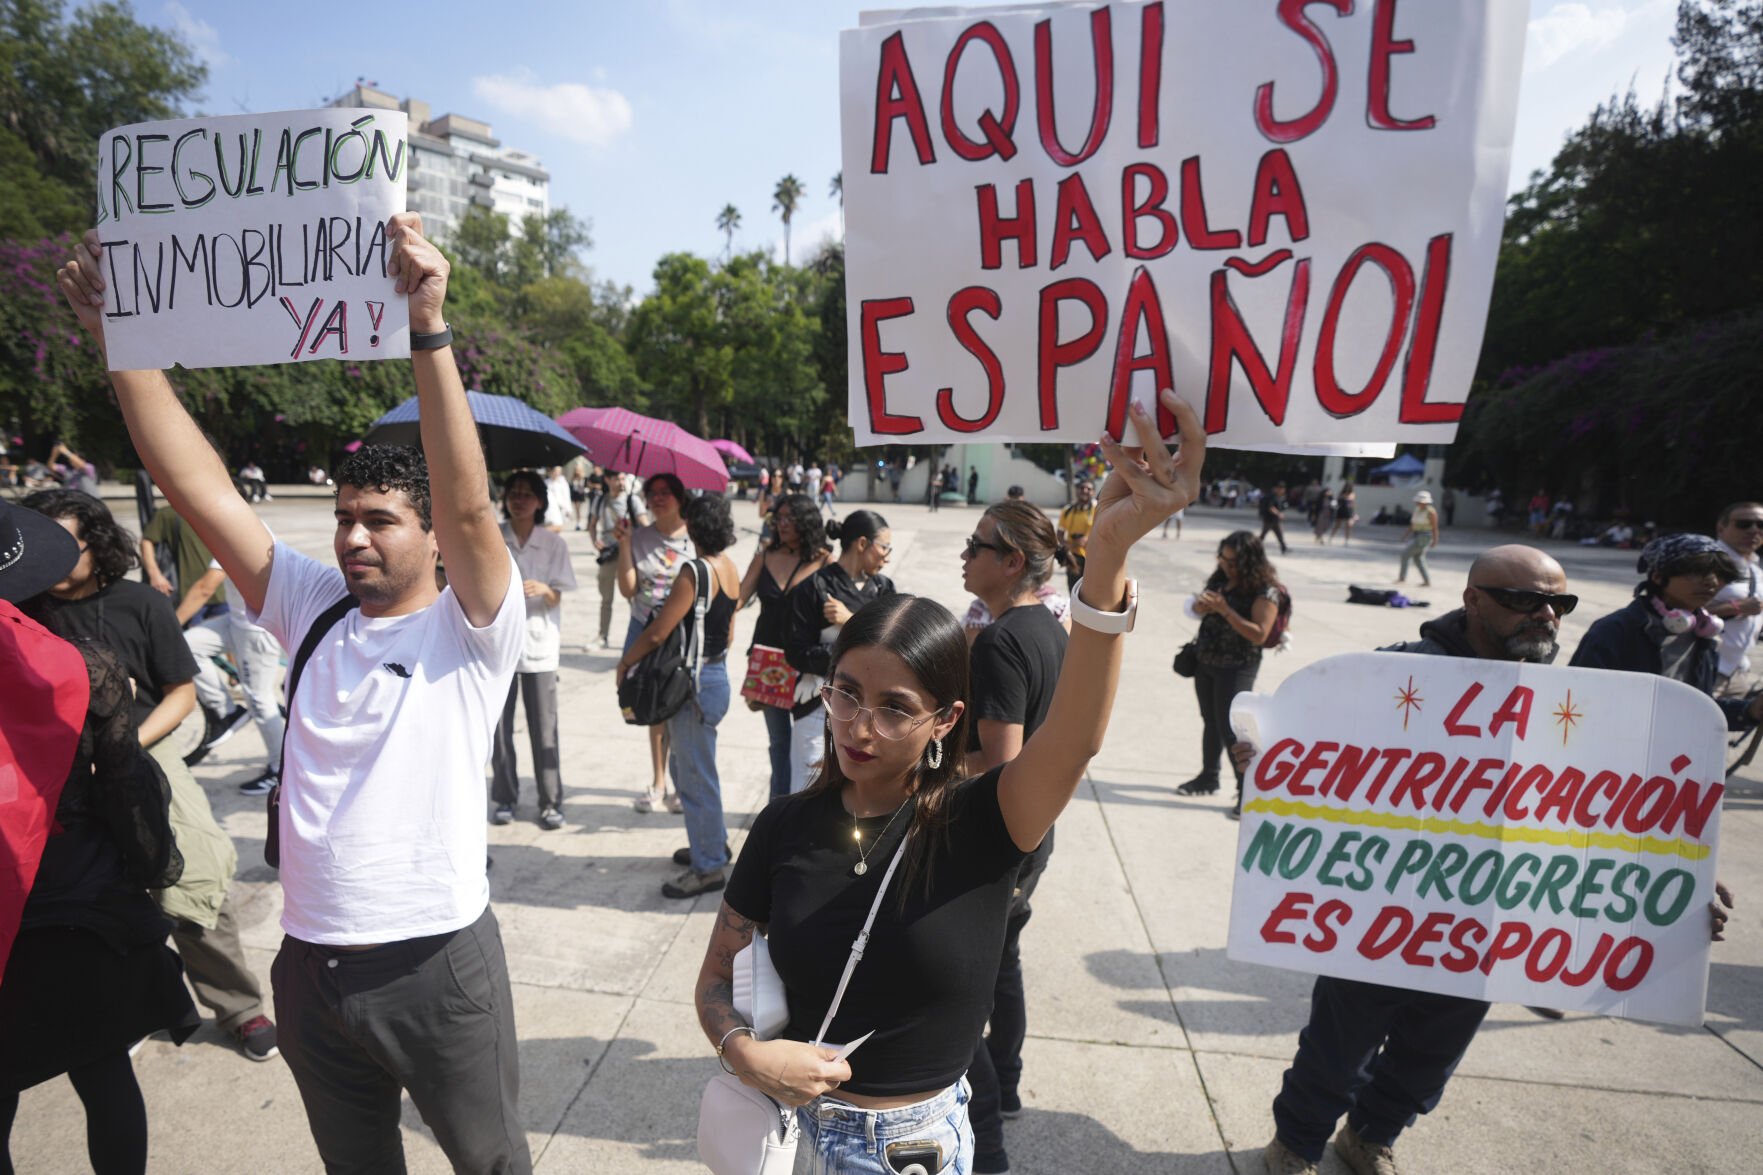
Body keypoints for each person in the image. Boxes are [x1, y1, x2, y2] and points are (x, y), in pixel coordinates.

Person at [58, 214, 533, 1171]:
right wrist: (128, 345)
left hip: (437, 965)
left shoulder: (472, 625)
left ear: (433, 535)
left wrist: (428, 328)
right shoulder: (313, 605)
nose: (356, 538)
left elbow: (472, 501)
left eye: (383, 522)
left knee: (491, 1165)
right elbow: (196, 486)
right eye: (345, 519)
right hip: (310, 970)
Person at [694, 391, 1204, 1175]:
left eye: (895, 707)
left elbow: (1073, 740)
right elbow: (714, 979)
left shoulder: (982, 823)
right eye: (846, 694)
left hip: (908, 1152)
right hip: (785, 1142)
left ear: (946, 719)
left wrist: (1104, 560)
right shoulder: (782, 826)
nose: (859, 726)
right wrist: (746, 1054)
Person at [1254, 544, 1733, 1175]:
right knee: (1342, 1041)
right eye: (1522, 600)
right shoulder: (1395, 677)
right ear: (1472, 599)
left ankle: (1370, 1134)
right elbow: (1304, 748)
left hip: (1495, 909)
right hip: (1382, 905)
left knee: (1435, 1046)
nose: (1544, 615)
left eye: (1558, 603)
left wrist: (1684, 869)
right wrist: (1262, 761)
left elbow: (1623, 804)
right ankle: (1297, 1142)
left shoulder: (1581, 703)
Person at [22, 489, 278, 1065]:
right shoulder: (24, 611)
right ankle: (124, 1008)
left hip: (141, 751)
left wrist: (116, 749)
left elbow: (181, 696)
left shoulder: (142, 604)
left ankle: (237, 1005)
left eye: (67, 544)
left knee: (191, 872)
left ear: (98, 542)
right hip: (51, 766)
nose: (55, 558)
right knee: (86, 893)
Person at [0, 502, 199, 1175]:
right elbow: (127, 791)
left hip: (19, 919)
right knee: (104, 1071)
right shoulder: (81, 666)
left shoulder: (124, 619)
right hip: (78, 909)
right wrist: (148, 868)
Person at [957, 501, 1071, 1175]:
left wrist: (927, 766)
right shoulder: (1047, 629)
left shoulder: (1003, 640)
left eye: (977, 546)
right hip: (1036, 832)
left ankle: (988, 1110)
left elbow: (998, 766)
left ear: (1012, 562)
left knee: (968, 978)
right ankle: (1008, 1078)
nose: (965, 556)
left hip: (1000, 835)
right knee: (1003, 963)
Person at [618, 494, 742, 899]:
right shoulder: (730, 568)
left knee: (693, 777)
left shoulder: (694, 572)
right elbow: (729, 630)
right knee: (694, 768)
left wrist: (626, 663)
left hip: (694, 684)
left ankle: (708, 868)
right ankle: (712, 843)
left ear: (693, 526)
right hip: (716, 674)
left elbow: (657, 632)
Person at [1570, 534, 1763, 731]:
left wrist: (1750, 710)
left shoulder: (1704, 633)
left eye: (1720, 575)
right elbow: (1575, 704)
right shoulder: (1615, 630)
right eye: (1697, 571)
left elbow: (1698, 710)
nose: (1712, 582)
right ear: (1658, 577)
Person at [779, 510, 899, 812]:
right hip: (818, 705)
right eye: (883, 547)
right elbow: (796, 652)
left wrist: (850, 622)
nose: (886, 556)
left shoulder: (884, 589)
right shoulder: (814, 588)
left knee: (860, 791)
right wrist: (851, 657)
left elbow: (895, 644)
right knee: (809, 787)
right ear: (862, 543)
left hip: (870, 710)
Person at [491, 471, 577, 831]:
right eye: (514, 493)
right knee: (499, 730)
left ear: (540, 502)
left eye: (527, 494)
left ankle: (550, 801)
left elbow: (560, 592)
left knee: (545, 729)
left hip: (540, 647)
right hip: (496, 649)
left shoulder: (553, 544)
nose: (519, 499)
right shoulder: (493, 537)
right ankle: (505, 797)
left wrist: (544, 588)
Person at [1179, 531, 1280, 811]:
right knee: (1210, 721)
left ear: (1249, 561)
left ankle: (1245, 790)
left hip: (1237, 666)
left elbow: (1260, 634)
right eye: (1222, 558)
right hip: (1207, 660)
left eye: (1232, 561)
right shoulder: (1221, 578)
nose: (1225, 564)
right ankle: (1208, 777)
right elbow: (1201, 607)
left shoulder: (1265, 591)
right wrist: (1202, 606)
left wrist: (1224, 610)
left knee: (1233, 729)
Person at [740, 493, 831, 799]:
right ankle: (777, 809)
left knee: (809, 742)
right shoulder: (764, 556)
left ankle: (801, 805)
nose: (782, 524)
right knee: (779, 741)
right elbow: (736, 599)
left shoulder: (825, 560)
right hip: (769, 662)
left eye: (790, 518)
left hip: (806, 662)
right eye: (778, 518)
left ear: (807, 521)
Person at [140, 505, 248, 763]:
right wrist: (155, 574)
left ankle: (237, 685)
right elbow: (147, 541)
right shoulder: (170, 513)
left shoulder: (219, 511)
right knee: (194, 647)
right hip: (194, 592)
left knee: (239, 663)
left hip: (220, 592)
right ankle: (230, 702)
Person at [617, 471, 696, 813]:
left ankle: (681, 784)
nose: (659, 498)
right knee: (652, 705)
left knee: (680, 704)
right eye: (653, 493)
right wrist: (623, 544)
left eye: (667, 492)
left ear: (680, 498)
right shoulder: (639, 537)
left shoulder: (695, 538)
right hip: (643, 628)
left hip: (681, 633)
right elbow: (628, 590)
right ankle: (659, 782)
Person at [1709, 501, 1762, 698]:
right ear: (1721, 528)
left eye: (1761, 525)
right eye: (1743, 524)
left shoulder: (1754, 569)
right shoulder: (1706, 561)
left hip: (1737, 669)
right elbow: (1672, 609)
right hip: (1706, 667)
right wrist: (1735, 607)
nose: (1754, 530)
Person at [592, 469, 644, 647]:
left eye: (623, 478)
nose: (621, 482)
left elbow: (645, 526)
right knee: (606, 598)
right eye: (617, 479)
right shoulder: (600, 500)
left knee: (634, 598)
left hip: (628, 555)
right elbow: (592, 524)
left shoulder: (633, 500)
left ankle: (639, 636)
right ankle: (602, 635)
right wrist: (595, 541)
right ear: (607, 480)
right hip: (607, 553)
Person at [1057, 479, 1098, 592]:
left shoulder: (1099, 510)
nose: (1085, 491)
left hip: (1093, 557)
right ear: (1076, 491)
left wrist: (1088, 539)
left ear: (1093, 492)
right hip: (1073, 557)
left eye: (1089, 489)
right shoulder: (1067, 510)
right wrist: (1068, 546)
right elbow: (1060, 534)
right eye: (1082, 488)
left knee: (1092, 592)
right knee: (1074, 591)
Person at [1396, 491, 1440, 587]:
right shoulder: (1417, 510)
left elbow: (1434, 527)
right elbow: (1412, 525)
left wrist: (1435, 540)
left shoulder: (1431, 512)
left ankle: (1402, 578)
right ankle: (1427, 581)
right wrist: (1405, 535)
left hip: (1424, 537)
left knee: (1405, 555)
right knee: (1418, 558)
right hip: (1417, 535)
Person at [1259, 483, 1289, 554]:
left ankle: (1283, 548)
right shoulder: (1272, 497)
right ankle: (1254, 546)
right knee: (1263, 535)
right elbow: (1271, 507)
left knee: (1279, 534)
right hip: (1269, 519)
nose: (1283, 491)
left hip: (1274, 520)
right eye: (1282, 489)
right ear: (1278, 489)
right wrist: (1279, 514)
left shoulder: (1278, 497)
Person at [543, 465, 571, 532]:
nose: (557, 473)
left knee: (558, 527)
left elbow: (567, 496)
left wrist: (568, 509)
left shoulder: (562, 482)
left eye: (558, 471)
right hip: (549, 508)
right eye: (555, 471)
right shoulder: (546, 482)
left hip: (560, 507)